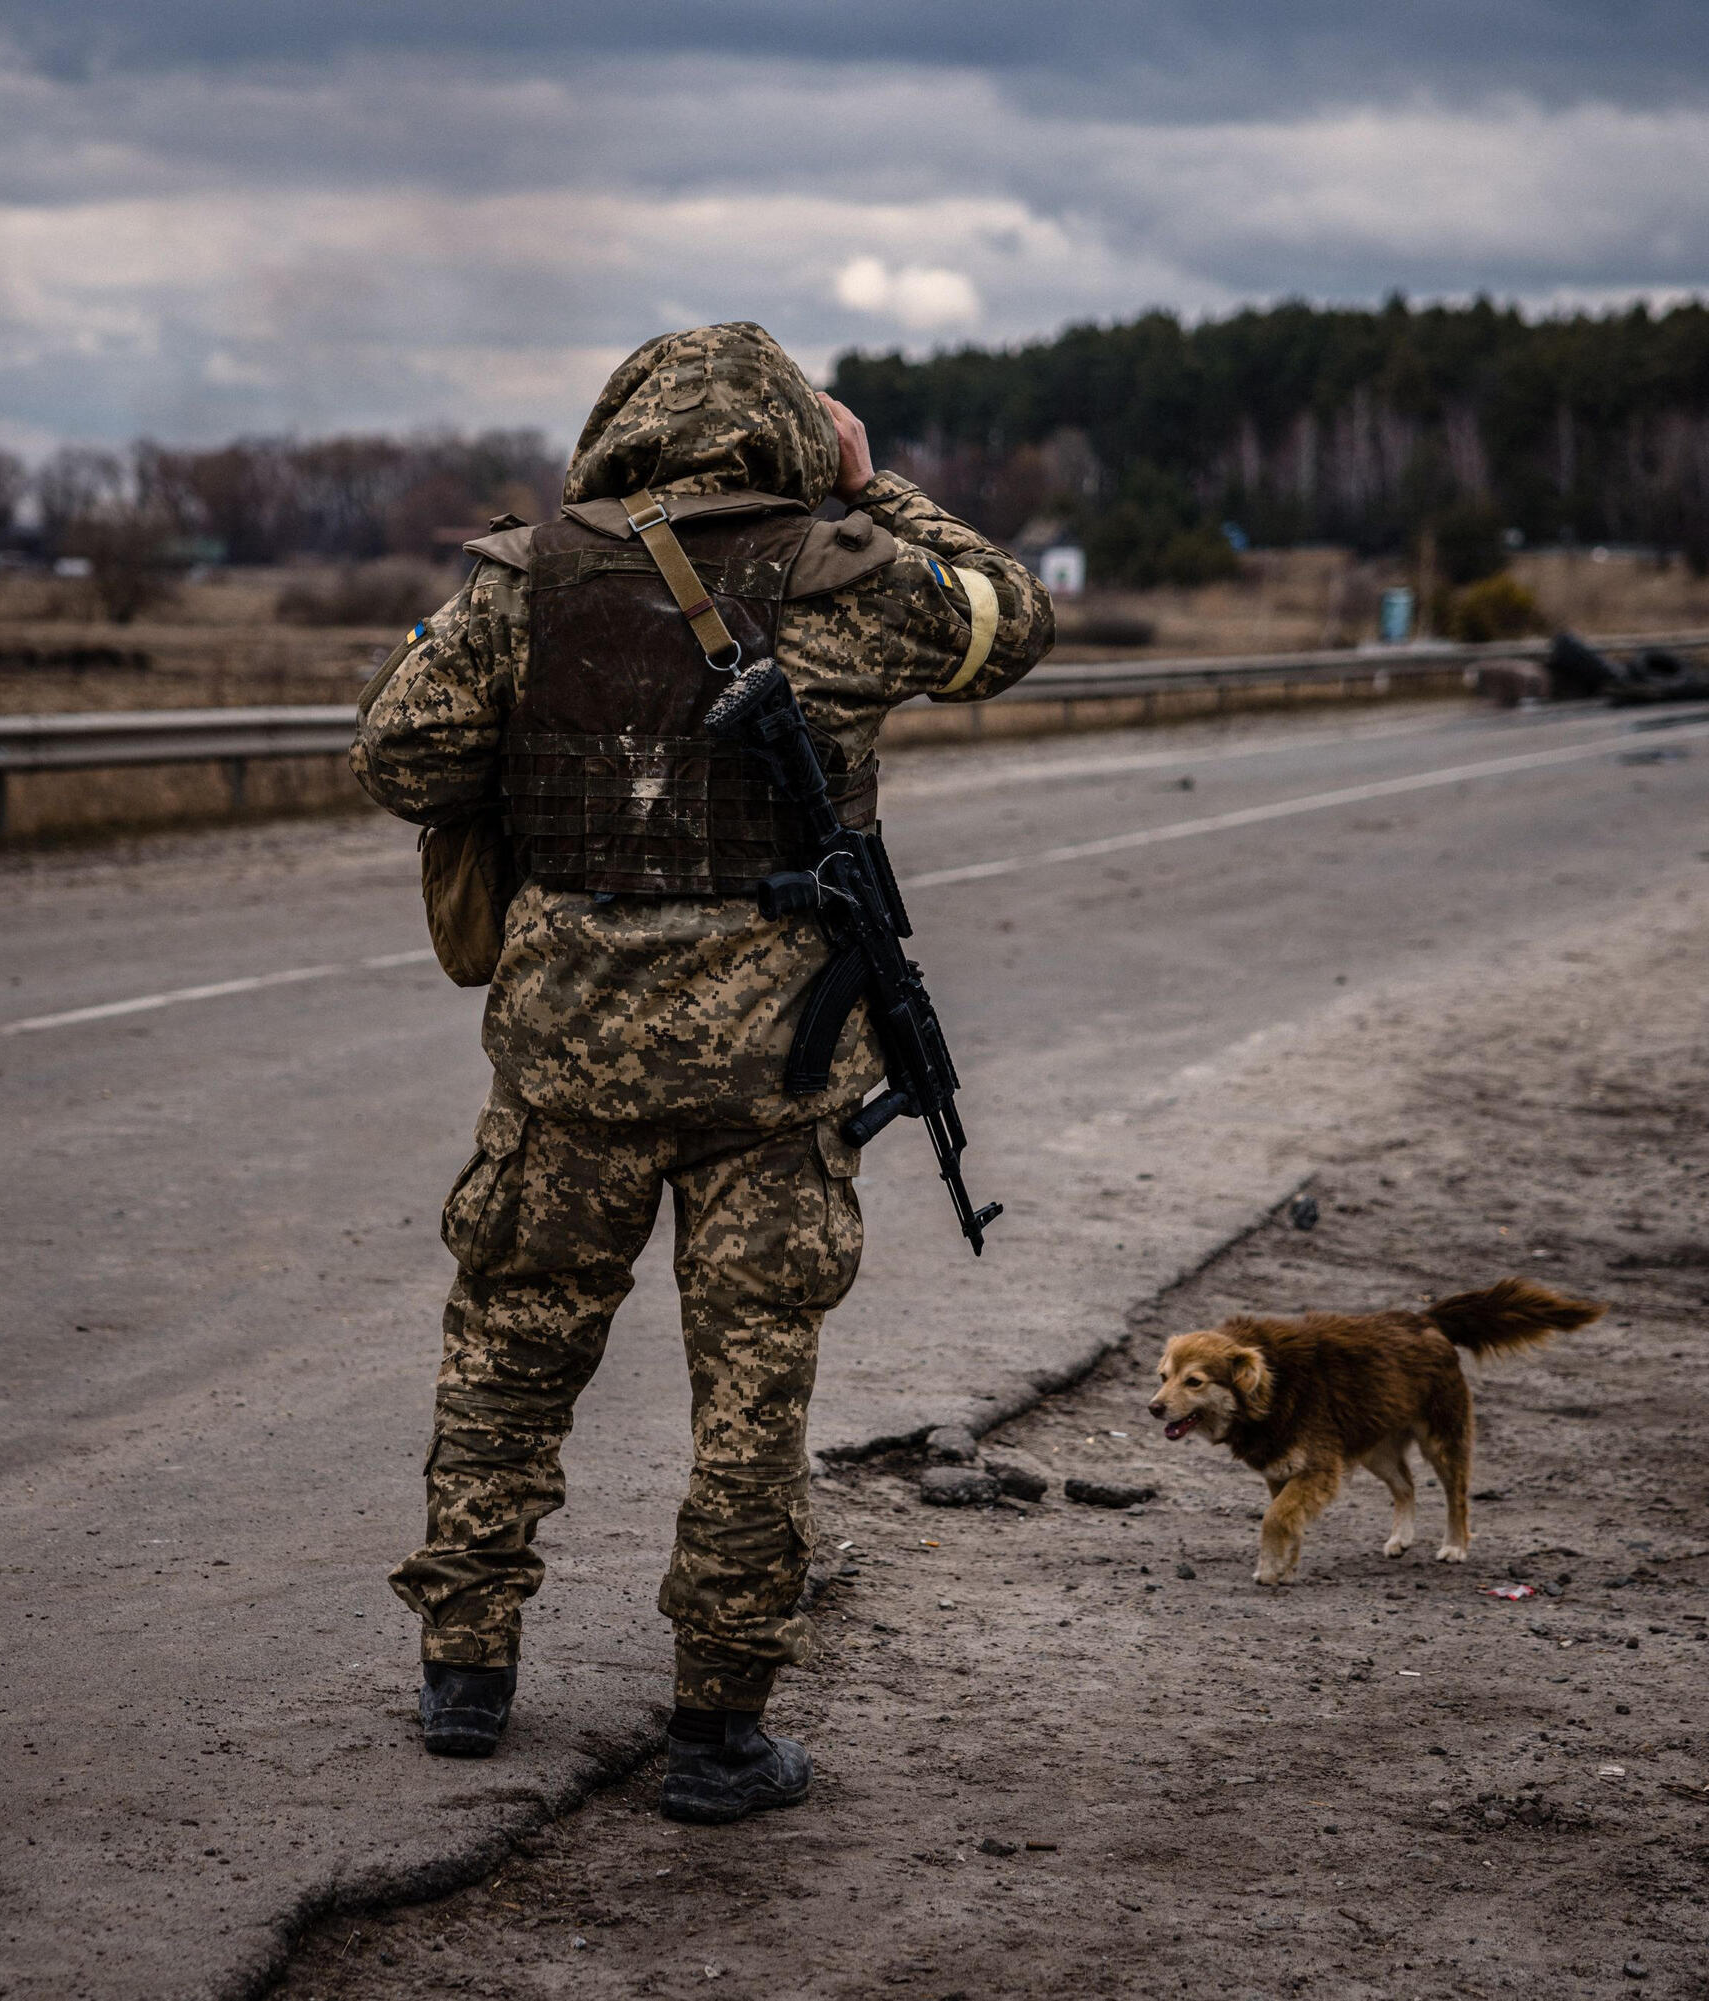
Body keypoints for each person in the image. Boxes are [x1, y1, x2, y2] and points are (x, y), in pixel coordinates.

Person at [349, 322, 1053, 1823]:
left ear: (622, 423)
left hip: (565, 1057)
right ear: (796, 437)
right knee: (751, 1394)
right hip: (772, 1074)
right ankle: (718, 1731)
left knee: (511, 1352)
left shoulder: (520, 578)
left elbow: (399, 761)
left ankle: (464, 1672)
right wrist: (879, 487)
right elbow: (1013, 618)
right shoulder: (846, 572)